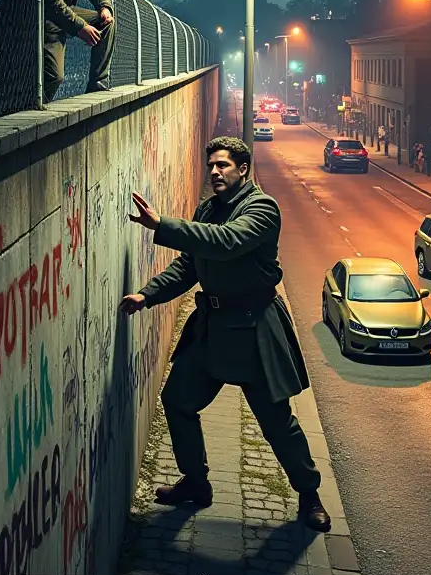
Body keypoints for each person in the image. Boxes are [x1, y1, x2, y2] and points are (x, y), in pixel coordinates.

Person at [118, 135, 332, 533]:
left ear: (243, 169)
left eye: (223, 166)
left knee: (277, 424)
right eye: (211, 165)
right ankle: (196, 484)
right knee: (178, 400)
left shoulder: (262, 209)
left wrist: (163, 225)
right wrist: (147, 295)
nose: (215, 172)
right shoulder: (208, 208)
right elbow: (191, 265)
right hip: (212, 328)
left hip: (254, 328)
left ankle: (309, 494)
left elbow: (227, 242)